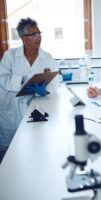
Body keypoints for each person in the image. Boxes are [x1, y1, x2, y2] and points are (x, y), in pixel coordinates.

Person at [0, 18, 58, 163]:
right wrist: (24, 81)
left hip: (35, 113)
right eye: (33, 35)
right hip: (11, 112)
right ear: (23, 38)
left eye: (39, 33)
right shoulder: (10, 56)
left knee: (35, 152)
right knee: (9, 159)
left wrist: (44, 89)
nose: (38, 37)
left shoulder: (47, 58)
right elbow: (2, 78)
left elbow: (54, 84)